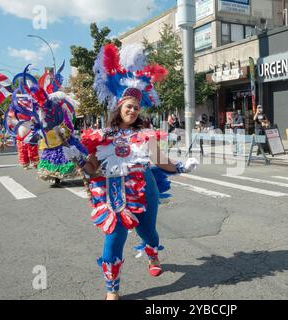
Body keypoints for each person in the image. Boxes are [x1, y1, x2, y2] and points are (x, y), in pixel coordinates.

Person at [65, 43, 198, 300]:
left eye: (136, 107)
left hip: (144, 187)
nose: (133, 110)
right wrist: (80, 161)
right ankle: (112, 290)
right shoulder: (100, 136)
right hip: (114, 193)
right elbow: (93, 170)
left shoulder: (144, 134)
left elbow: (159, 160)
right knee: (113, 238)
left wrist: (182, 166)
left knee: (148, 230)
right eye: (129, 106)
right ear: (118, 107)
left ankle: (152, 253)